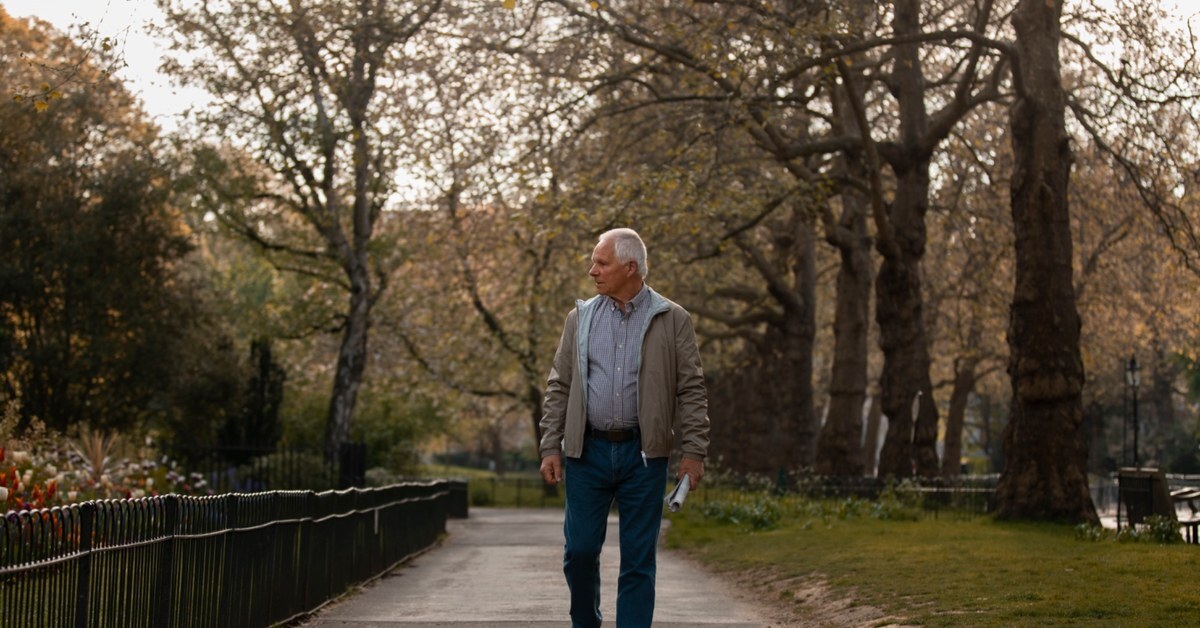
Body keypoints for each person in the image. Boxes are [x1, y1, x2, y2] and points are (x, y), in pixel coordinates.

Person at [539, 227, 710, 628]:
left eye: (601, 263)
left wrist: (693, 453)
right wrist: (550, 445)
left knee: (638, 559)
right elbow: (559, 384)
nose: (592, 271)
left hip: (644, 457)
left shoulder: (672, 319)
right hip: (587, 453)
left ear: (630, 268)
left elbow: (692, 389)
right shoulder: (579, 319)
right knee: (579, 552)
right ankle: (587, 622)